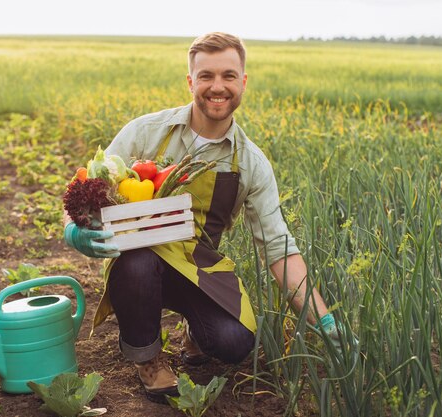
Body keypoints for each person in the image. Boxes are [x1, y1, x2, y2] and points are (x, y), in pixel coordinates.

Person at [64, 32, 346, 404]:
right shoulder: (146, 133)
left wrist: (323, 319)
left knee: (234, 342)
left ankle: (194, 330)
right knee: (137, 263)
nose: (218, 87)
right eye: (206, 76)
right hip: (140, 262)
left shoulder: (250, 163)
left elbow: (278, 248)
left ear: (242, 82)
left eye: (229, 76)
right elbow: (83, 191)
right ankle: (147, 358)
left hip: (199, 269)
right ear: (190, 82)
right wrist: (75, 232)